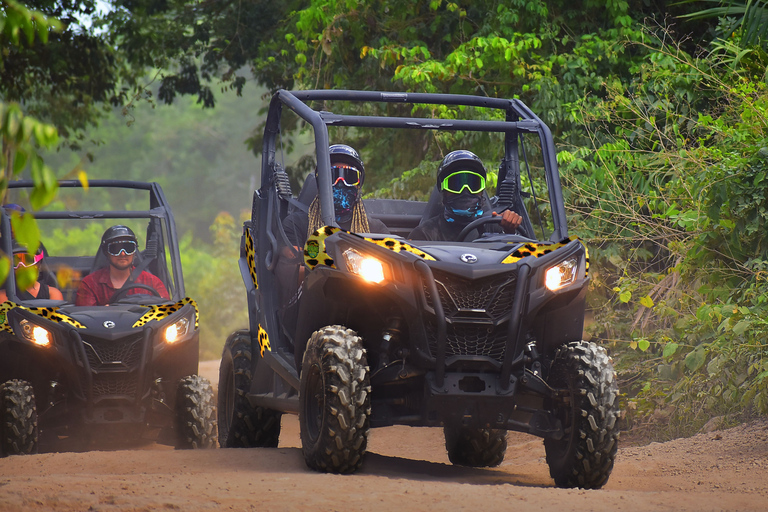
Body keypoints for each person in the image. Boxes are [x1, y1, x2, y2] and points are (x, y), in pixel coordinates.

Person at [282, 144, 389, 247]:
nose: (340, 182)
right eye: (332, 176)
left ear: (358, 185)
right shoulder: (296, 225)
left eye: (349, 176)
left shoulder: (376, 230)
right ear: (320, 184)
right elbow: (290, 263)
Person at [408, 150, 523, 242]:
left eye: (473, 184)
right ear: (443, 190)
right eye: (456, 184)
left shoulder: (497, 227)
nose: (465, 191)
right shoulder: (424, 235)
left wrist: (510, 231)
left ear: (482, 191)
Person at [76, 225, 169, 306]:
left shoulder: (152, 282)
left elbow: (166, 315)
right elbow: (83, 320)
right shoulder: (90, 284)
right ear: (106, 252)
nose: (123, 254)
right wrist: (103, 312)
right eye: (116, 249)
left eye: (128, 248)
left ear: (135, 252)